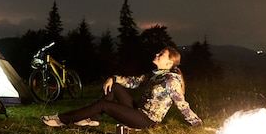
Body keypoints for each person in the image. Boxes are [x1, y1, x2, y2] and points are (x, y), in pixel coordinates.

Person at [42, 46, 202, 129]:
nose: (157, 54)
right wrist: (112, 78)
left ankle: (63, 120)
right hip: (138, 111)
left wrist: (196, 123)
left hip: (146, 120)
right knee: (115, 87)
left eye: (161, 54)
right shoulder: (155, 75)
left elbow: (182, 104)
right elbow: (133, 81)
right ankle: (92, 118)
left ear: (169, 63)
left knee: (104, 105)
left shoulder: (171, 80)